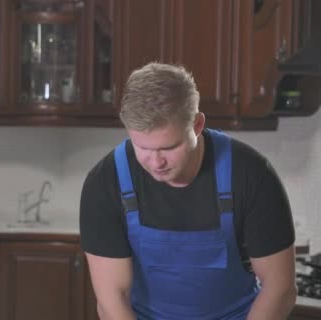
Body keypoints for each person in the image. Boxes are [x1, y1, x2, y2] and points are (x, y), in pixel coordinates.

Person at [80, 62, 297, 319]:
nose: (156, 162)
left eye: (169, 147)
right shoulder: (106, 181)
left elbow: (280, 289)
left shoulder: (251, 174)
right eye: (143, 148)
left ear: (197, 125)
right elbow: (111, 300)